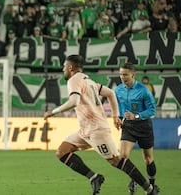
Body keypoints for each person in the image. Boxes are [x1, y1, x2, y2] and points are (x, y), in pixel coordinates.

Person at [43, 55, 158, 195]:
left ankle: (149, 189)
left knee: (117, 161)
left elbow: (74, 101)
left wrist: (53, 111)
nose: (63, 69)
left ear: (70, 68)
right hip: (85, 130)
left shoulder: (74, 80)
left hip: (96, 130)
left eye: (64, 67)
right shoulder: (87, 81)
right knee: (62, 151)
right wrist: (116, 115)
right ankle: (94, 177)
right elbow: (110, 93)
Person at [115, 63, 158, 195]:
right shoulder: (118, 90)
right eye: (121, 74)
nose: (122, 77)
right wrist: (117, 117)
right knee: (122, 156)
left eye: (125, 74)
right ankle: (135, 179)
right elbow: (118, 106)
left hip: (144, 126)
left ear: (133, 75)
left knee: (148, 159)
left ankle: (152, 184)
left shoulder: (144, 90)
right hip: (128, 126)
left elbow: (152, 110)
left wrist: (136, 116)